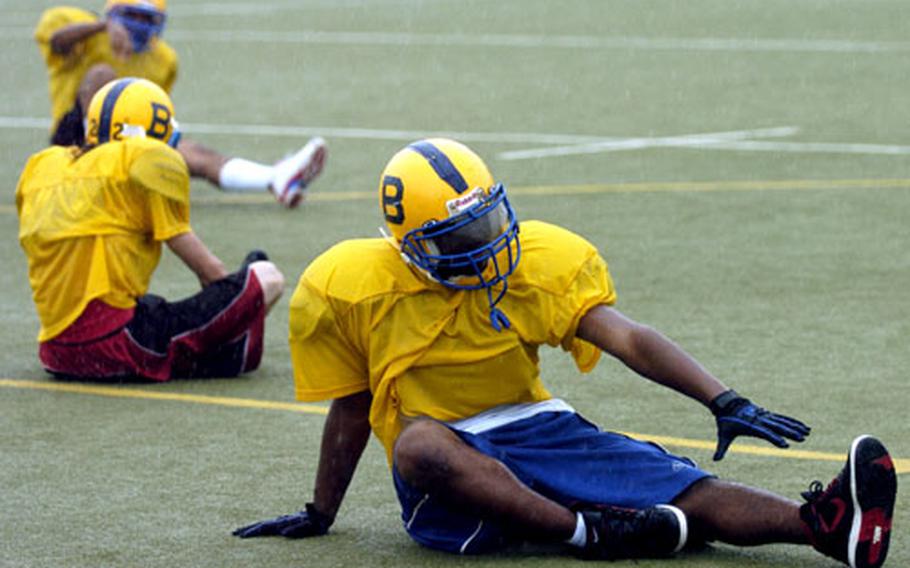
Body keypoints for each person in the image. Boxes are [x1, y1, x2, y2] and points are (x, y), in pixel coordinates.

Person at [232, 139, 897, 567]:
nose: (488, 244)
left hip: (534, 426)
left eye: (489, 221)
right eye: (462, 234)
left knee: (683, 487)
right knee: (417, 446)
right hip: (445, 462)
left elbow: (627, 336)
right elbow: (352, 408)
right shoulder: (349, 285)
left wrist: (721, 398)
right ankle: (590, 533)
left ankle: (825, 527)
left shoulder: (535, 262)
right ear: (409, 244)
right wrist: (323, 511)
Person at [16, 77, 286, 381]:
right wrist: (234, 299)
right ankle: (221, 352)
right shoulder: (145, 160)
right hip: (117, 345)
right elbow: (209, 273)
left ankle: (216, 353)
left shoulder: (42, 166)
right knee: (265, 275)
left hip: (55, 352)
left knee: (156, 307)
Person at [34, 0, 326, 208]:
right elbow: (57, 42)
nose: (140, 26)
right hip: (73, 142)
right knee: (103, 75)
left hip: (128, 143)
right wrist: (101, 27)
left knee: (193, 152)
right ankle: (91, 168)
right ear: (113, 14)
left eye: (149, 20)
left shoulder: (163, 60)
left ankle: (275, 178)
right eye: (134, 16)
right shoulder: (78, 26)